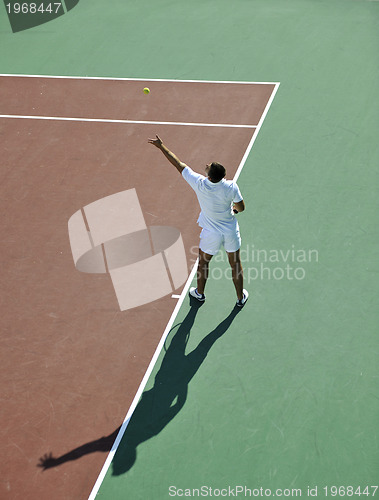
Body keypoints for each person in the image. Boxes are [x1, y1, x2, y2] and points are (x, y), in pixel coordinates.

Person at [148, 135, 248, 308]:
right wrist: (233, 210)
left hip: (211, 234)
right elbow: (241, 207)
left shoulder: (199, 183)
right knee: (235, 264)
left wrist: (161, 146)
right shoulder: (231, 186)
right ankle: (240, 298)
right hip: (230, 231)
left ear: (210, 177)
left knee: (203, 262)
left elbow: (178, 164)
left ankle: (200, 294)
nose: (207, 165)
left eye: (209, 167)